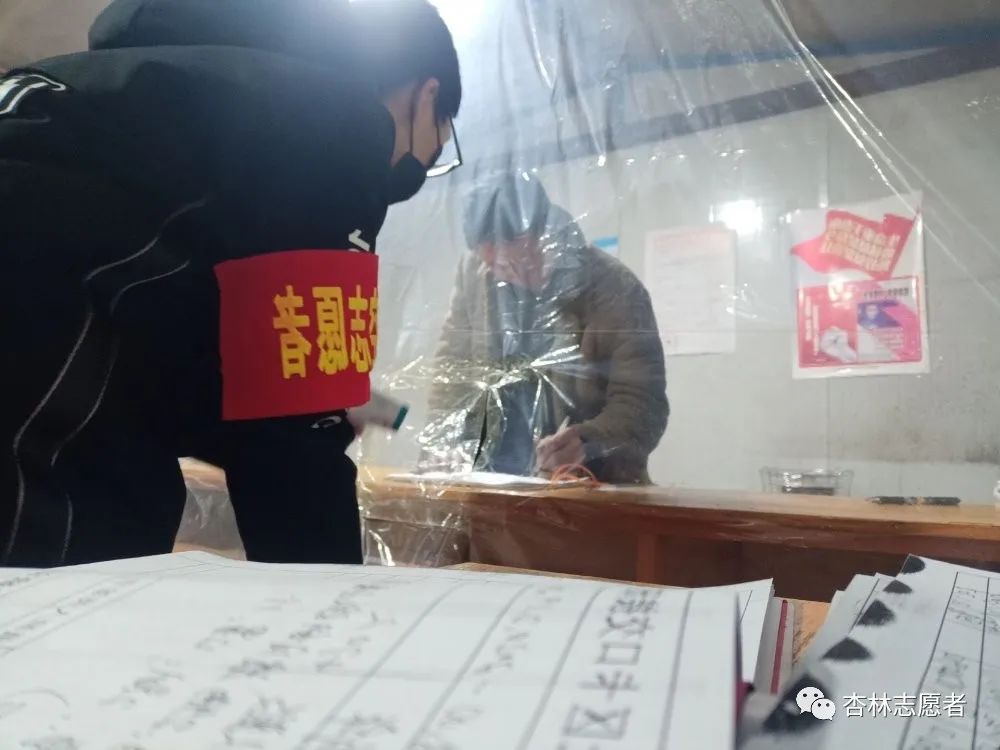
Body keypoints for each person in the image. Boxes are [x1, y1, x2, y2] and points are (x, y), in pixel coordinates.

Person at [0, 0, 462, 567]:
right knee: (74, 587)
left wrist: (305, 404)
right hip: (33, 433)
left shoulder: (126, 91)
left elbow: (152, 355)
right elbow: (293, 447)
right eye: (437, 147)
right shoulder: (332, 118)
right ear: (427, 96)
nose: (419, 167)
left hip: (36, 355)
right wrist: (335, 606)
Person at [422, 172, 668, 484]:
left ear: (541, 232)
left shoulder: (613, 289)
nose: (497, 270)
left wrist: (588, 441)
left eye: (507, 256)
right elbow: (453, 371)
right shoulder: (476, 275)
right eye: (488, 260)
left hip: (583, 485)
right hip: (486, 479)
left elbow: (643, 404)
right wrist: (443, 441)